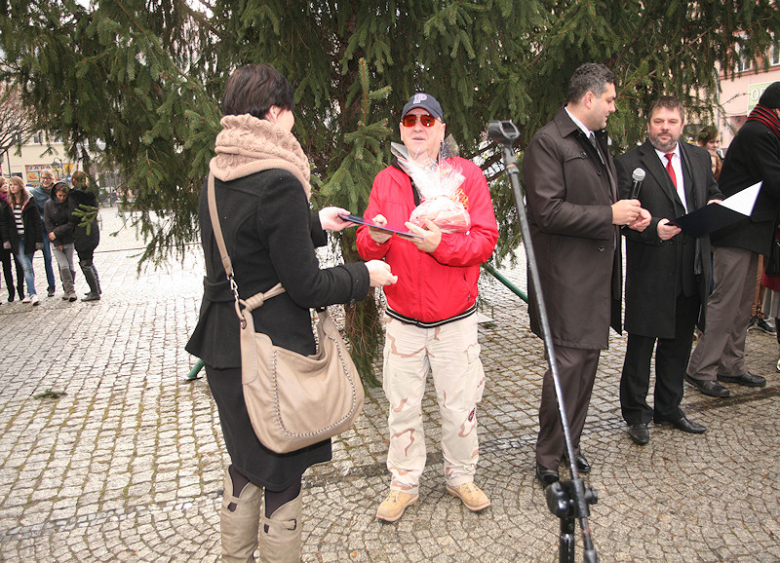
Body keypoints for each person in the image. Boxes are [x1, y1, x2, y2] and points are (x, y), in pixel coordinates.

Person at [185, 64, 396, 563]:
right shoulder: (278, 178)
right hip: (270, 354)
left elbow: (250, 238)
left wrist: (314, 224)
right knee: (281, 478)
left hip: (223, 345)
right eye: (291, 114)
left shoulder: (221, 170)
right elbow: (307, 286)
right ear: (275, 113)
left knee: (245, 465)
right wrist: (365, 276)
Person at [356, 93, 499, 522]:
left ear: (441, 128)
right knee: (402, 407)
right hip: (402, 321)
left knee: (460, 405)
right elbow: (365, 244)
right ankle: (404, 483)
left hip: (455, 320)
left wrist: (443, 245)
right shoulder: (386, 181)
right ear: (401, 129)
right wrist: (376, 238)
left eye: (428, 119)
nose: (418, 126)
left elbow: (485, 241)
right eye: (410, 120)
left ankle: (460, 476)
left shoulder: (467, 177)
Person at [522, 63, 651, 486]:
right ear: (590, 98)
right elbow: (546, 211)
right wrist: (607, 215)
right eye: (610, 99)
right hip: (565, 280)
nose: (614, 107)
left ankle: (569, 446)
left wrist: (625, 216)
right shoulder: (548, 142)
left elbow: (600, 200)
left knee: (587, 366)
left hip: (596, 278)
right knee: (566, 368)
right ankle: (547, 456)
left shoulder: (595, 140)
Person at [616, 96, 723, 446]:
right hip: (651, 268)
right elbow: (620, 217)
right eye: (658, 121)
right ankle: (635, 414)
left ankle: (669, 407)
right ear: (649, 125)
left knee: (677, 345)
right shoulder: (629, 163)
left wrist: (715, 204)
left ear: (682, 123)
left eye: (671, 121)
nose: (665, 128)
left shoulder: (697, 157)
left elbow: (711, 192)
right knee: (642, 347)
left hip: (690, 267)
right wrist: (651, 229)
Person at [685, 82, 780, 397]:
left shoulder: (766, 132)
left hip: (752, 229)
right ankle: (701, 368)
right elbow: (776, 182)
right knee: (725, 303)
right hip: (736, 228)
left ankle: (731, 364)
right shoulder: (758, 133)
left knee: (741, 307)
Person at [1, 177, 43, 305]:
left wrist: (39, 239)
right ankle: (32, 293)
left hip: (29, 238)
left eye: (14, 185)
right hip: (16, 239)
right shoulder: (7, 202)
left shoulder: (29, 200)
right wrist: (6, 239)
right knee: (26, 266)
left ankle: (28, 294)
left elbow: (37, 221)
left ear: (20, 186)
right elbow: (4, 223)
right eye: (10, 185)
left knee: (28, 266)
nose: (11, 187)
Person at [69, 171, 101, 302]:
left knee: (85, 263)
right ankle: (96, 289)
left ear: (74, 181)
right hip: (92, 229)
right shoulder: (91, 194)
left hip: (82, 232)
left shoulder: (74, 195)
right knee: (89, 261)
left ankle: (95, 291)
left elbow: (73, 215)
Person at [44, 181, 78, 302]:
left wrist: (57, 232)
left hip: (68, 238)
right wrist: (56, 240)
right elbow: (48, 224)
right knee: (63, 265)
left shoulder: (70, 204)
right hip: (55, 240)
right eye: (60, 196)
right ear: (55, 194)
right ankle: (70, 291)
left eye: (64, 196)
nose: (62, 198)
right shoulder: (48, 205)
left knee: (70, 266)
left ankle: (66, 288)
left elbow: (71, 223)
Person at [29, 169, 58, 297]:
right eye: (43, 178)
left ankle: (58, 285)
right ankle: (38, 288)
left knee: (56, 258)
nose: (45, 180)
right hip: (41, 230)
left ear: (52, 179)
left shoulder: (56, 192)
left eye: (48, 178)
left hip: (54, 229)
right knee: (45, 257)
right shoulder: (35, 193)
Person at [0, 177, 23, 302]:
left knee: (19, 264)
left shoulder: (10, 199)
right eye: (2, 184)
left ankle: (21, 290)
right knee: (6, 267)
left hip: (13, 236)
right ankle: (11, 291)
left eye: (6, 184)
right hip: (3, 238)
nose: (5, 186)